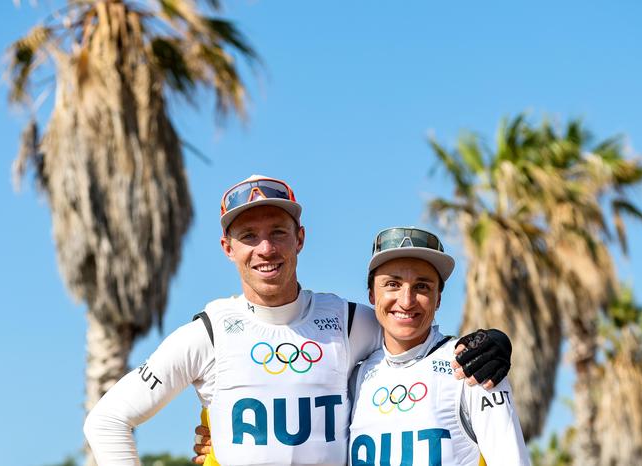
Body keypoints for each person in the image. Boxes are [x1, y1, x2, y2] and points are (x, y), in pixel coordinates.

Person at [84, 175, 512, 466]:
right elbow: (106, 421)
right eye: (248, 236)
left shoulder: (347, 322)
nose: (265, 249)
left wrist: (490, 344)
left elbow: (412, 337)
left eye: (278, 232)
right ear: (226, 247)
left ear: (300, 239)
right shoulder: (208, 334)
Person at [348, 226, 529, 465]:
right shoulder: (355, 377)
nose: (406, 301)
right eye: (392, 284)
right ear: (371, 295)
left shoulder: (473, 365)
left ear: (439, 299)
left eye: (422, 286)